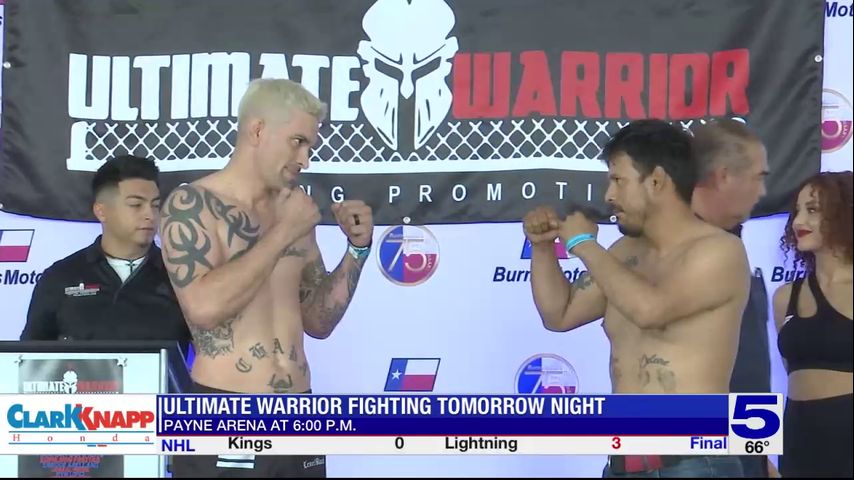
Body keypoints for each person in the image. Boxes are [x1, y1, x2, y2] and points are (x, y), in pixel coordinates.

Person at [161, 78, 373, 478]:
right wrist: (283, 232)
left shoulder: (294, 209)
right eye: (297, 142)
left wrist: (357, 250)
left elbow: (319, 321)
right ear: (257, 130)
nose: (305, 159)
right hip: (226, 411)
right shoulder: (193, 205)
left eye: (310, 147)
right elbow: (203, 308)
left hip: (300, 414)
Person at [524, 119, 749, 477]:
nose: (608, 196)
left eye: (618, 180)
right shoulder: (624, 252)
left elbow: (650, 310)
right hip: (622, 464)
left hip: (692, 463)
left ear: (656, 180)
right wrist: (541, 249)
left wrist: (583, 244)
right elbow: (559, 314)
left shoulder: (719, 251)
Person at [20, 154, 191, 351]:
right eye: (136, 205)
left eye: (155, 205)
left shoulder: (181, 276)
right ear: (101, 211)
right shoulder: (61, 276)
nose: (150, 215)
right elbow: (29, 357)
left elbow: (211, 353)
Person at [691, 119, 772, 477]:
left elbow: (749, 367)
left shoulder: (733, 244)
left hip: (741, 449)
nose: (763, 191)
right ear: (724, 176)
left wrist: (758, 453)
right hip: (691, 455)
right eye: (758, 177)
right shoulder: (669, 247)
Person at [773, 171, 853, 478]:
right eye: (797, 210)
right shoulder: (784, 297)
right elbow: (790, 369)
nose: (798, 221)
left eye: (813, 210)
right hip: (799, 438)